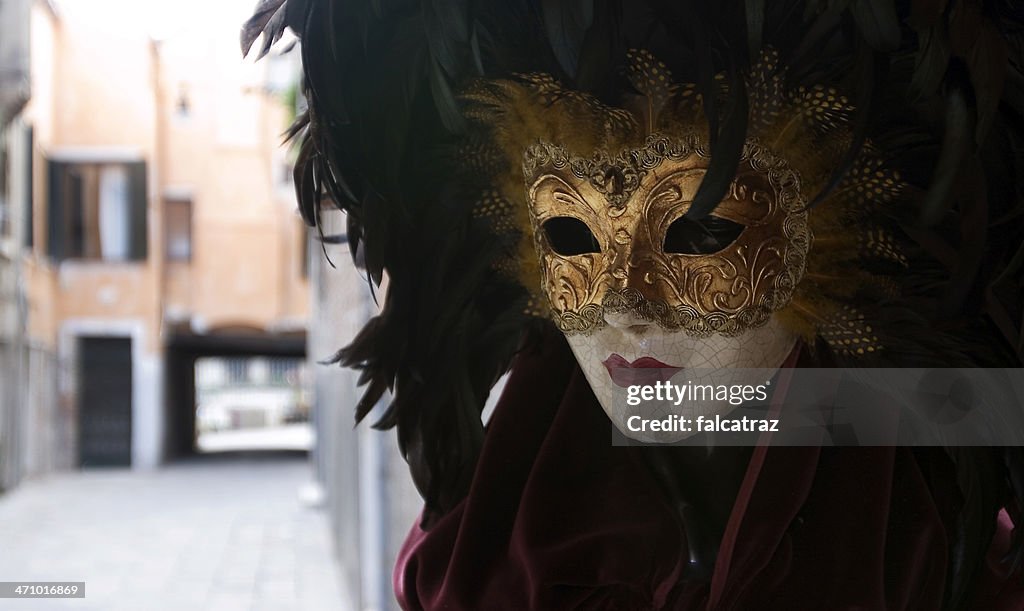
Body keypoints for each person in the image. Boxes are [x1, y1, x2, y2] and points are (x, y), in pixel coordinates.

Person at [244, 1, 1024, 608]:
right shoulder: (496, 538)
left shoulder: (928, 497)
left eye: (697, 232)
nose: (623, 304)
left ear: (841, 240)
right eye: (570, 234)